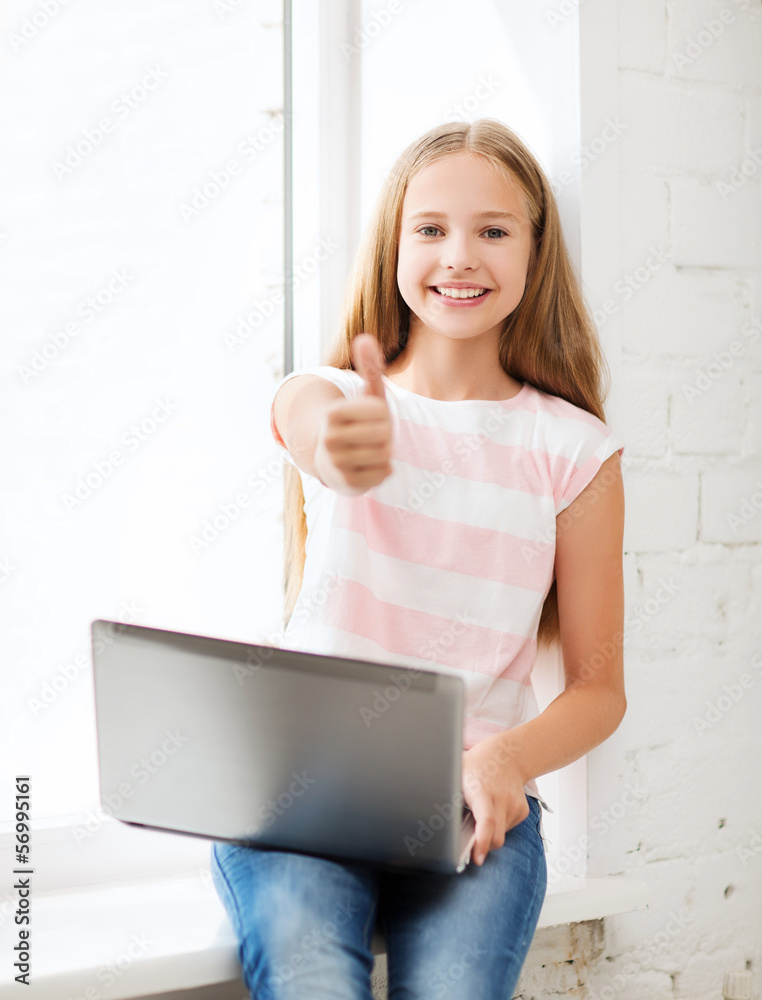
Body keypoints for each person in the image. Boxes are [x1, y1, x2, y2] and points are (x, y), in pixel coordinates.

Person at [211, 118, 626, 1000]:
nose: (460, 257)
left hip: (474, 809)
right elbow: (316, 430)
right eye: (430, 229)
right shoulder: (327, 396)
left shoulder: (577, 453)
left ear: (535, 250)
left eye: (494, 230)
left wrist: (507, 761)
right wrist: (347, 446)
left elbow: (598, 689)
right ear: (393, 246)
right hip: (300, 794)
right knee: (312, 976)